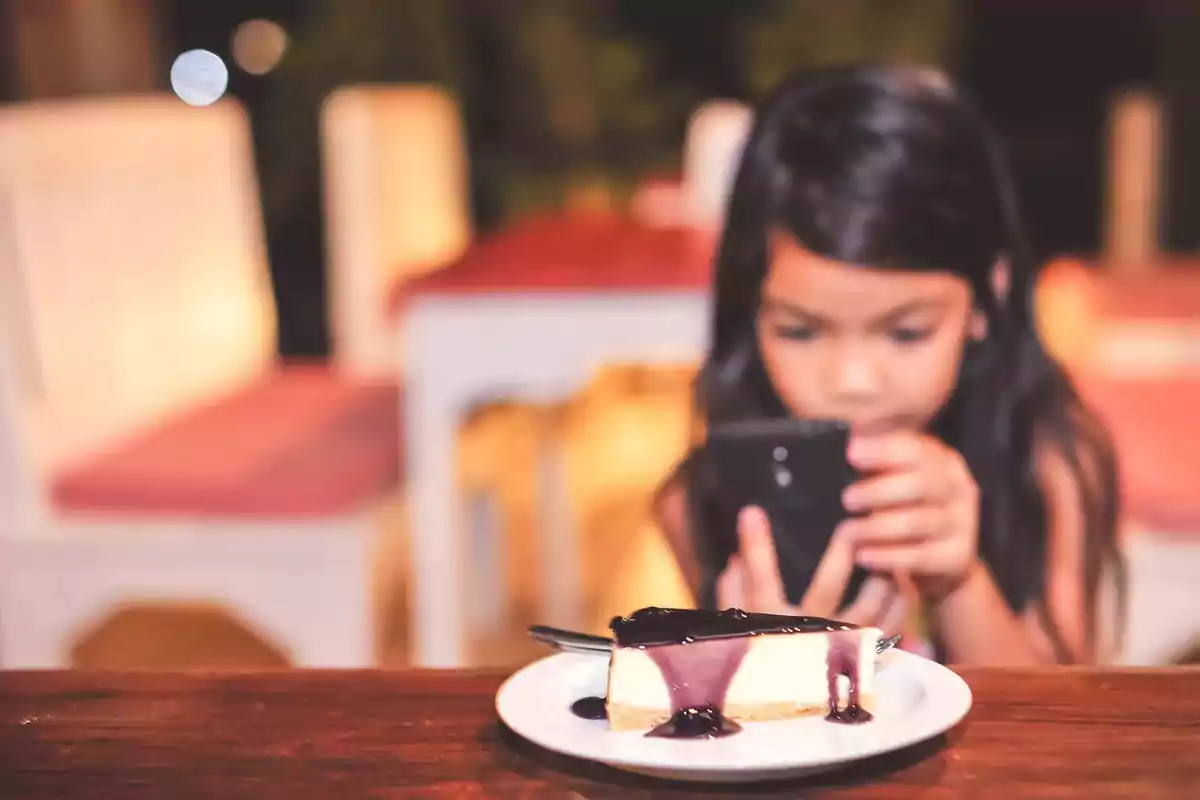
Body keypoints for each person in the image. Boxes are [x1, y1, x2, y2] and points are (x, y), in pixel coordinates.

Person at [654, 64, 1124, 665]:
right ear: (750, 314)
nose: (854, 382)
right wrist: (765, 662)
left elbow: (1062, 728)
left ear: (988, 298)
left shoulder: (1049, 459)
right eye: (799, 331)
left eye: (906, 332)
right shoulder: (702, 501)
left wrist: (959, 581)